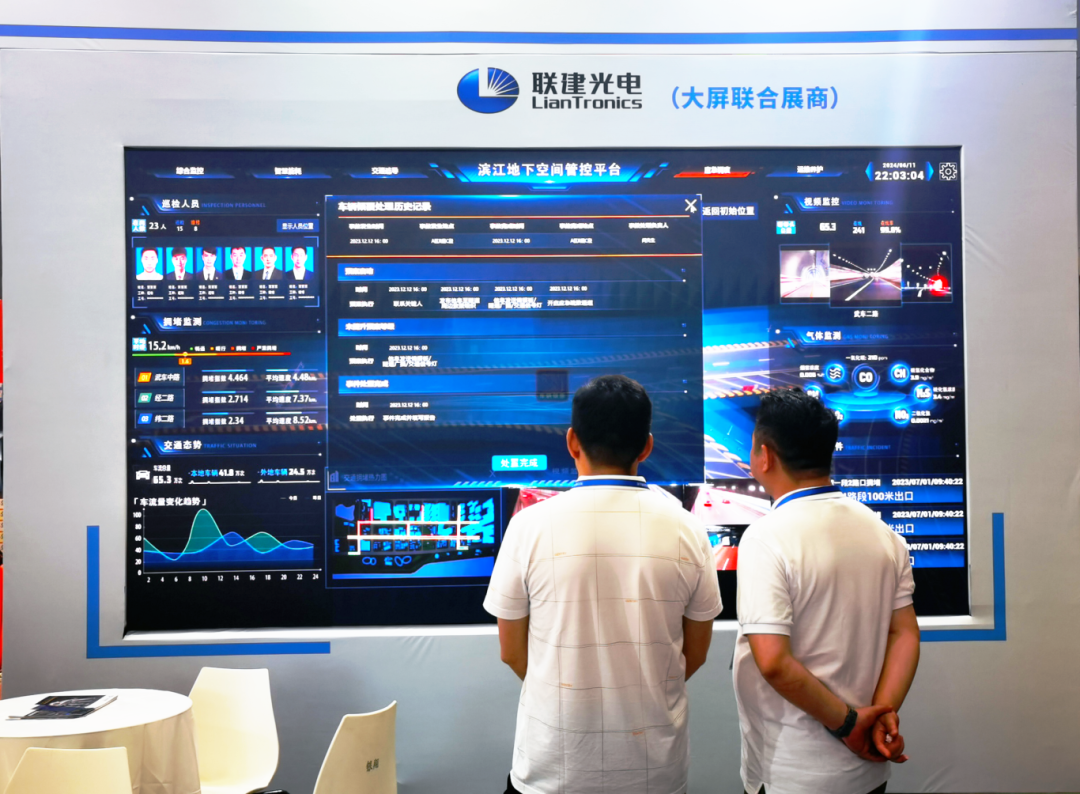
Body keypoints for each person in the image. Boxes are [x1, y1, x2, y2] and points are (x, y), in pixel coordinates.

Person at [484, 375, 722, 794]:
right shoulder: (688, 530)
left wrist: (564, 691)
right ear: (646, 447)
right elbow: (696, 653)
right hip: (654, 773)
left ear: (572, 442)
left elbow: (511, 651)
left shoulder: (528, 526)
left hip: (551, 769)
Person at [733, 387, 920, 794]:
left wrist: (850, 725)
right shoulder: (882, 532)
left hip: (794, 772)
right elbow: (905, 633)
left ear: (765, 456)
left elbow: (774, 662)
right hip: (867, 769)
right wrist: (881, 715)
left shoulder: (766, 537)